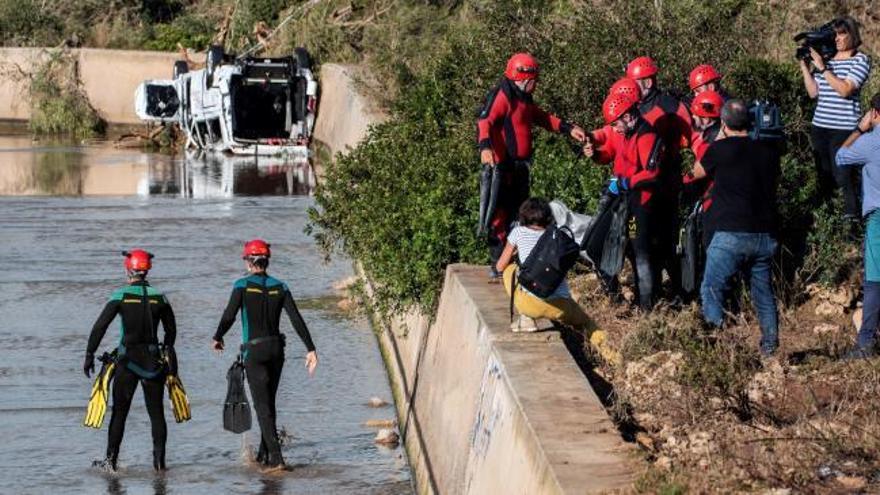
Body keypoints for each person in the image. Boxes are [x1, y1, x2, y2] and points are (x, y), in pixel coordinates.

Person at [477, 52, 586, 279]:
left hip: (520, 167)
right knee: (499, 215)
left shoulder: (523, 98)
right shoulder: (504, 94)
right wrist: (485, 147)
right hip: (502, 167)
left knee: (520, 214)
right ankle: (498, 263)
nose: (536, 84)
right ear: (523, 78)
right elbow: (485, 121)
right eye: (534, 79)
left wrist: (567, 128)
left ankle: (516, 259)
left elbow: (540, 117)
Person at [212, 239, 319, 470]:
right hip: (277, 350)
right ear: (266, 260)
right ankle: (264, 455)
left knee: (262, 406)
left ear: (250, 262)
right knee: (268, 403)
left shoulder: (241, 285)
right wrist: (310, 348)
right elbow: (296, 318)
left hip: (255, 351)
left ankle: (278, 459)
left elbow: (229, 315)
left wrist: (218, 336)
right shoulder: (280, 286)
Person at [695, 99, 782, 356]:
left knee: (711, 289)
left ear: (723, 123)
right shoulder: (768, 151)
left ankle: (720, 351)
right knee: (763, 293)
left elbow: (696, 171)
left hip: (730, 232)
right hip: (764, 235)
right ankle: (770, 349)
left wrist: (718, 139)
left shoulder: (720, 150)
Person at [84, 249, 177, 471]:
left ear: (129, 270)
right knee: (157, 415)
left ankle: (111, 462)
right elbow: (171, 331)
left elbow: (100, 326)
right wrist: (166, 349)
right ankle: (159, 465)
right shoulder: (160, 297)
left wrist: (89, 353)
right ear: (147, 271)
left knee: (120, 413)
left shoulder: (121, 296)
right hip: (154, 363)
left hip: (127, 362)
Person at [496, 198, 619, 363]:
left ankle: (525, 318)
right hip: (562, 305)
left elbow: (499, 266)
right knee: (587, 323)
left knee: (508, 271)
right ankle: (616, 358)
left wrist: (514, 254)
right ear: (548, 217)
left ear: (523, 217)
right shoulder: (557, 235)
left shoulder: (518, 232)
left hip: (530, 304)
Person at [584, 93, 665, 311]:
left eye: (616, 124)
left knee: (640, 253)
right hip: (626, 201)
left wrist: (625, 183)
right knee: (596, 245)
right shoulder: (628, 133)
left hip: (640, 207)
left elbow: (652, 172)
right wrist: (596, 156)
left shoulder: (646, 134)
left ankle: (646, 307)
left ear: (628, 116)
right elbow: (612, 155)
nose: (615, 129)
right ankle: (619, 298)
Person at [625, 56, 693, 296]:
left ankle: (674, 294)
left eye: (635, 83)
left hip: (664, 183)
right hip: (642, 184)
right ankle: (655, 292)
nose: (631, 88)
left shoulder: (668, 105)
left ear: (648, 82)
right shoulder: (638, 106)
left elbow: (690, 136)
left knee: (664, 242)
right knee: (639, 241)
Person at [800, 16, 872, 222]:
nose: (838, 39)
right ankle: (828, 224)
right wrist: (806, 66)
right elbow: (814, 93)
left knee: (844, 177)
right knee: (824, 177)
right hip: (820, 127)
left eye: (842, 34)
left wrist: (823, 68)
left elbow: (845, 89)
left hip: (844, 129)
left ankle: (851, 226)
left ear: (853, 35)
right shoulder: (828, 59)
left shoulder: (860, 60)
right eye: (835, 34)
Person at [835, 93, 880, 358]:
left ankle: (864, 345)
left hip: (878, 217)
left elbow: (841, 156)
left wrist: (858, 129)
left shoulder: (870, 142)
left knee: (875, 282)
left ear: (874, 113)